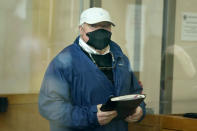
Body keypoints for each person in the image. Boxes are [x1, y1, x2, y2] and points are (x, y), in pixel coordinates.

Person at [38, 7, 146, 131]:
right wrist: (91, 116)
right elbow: (49, 106)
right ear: (81, 29)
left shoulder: (121, 59)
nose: (100, 30)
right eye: (94, 25)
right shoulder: (64, 62)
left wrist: (140, 110)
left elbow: (135, 92)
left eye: (105, 26)